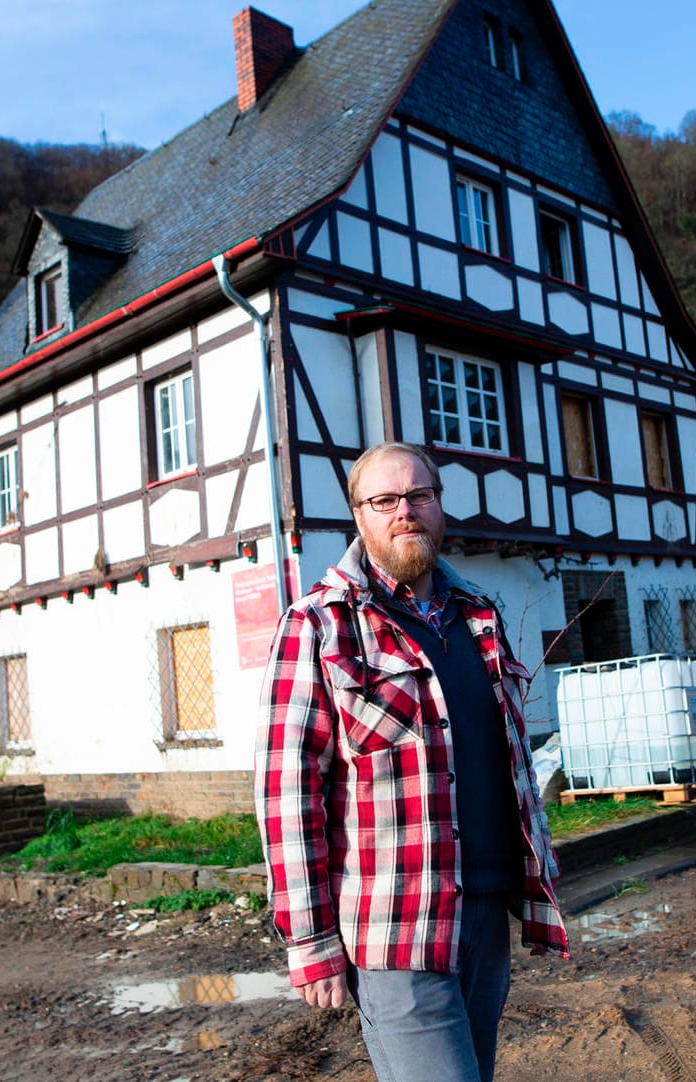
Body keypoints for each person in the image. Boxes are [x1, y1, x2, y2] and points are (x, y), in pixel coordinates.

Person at [255, 441, 569, 1082]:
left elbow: (510, 762)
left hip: (484, 911)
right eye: (385, 500)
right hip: (396, 925)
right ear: (359, 516)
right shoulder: (318, 627)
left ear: (439, 505)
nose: (406, 511)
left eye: (420, 496)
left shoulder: (479, 615)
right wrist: (309, 939)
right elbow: (288, 795)